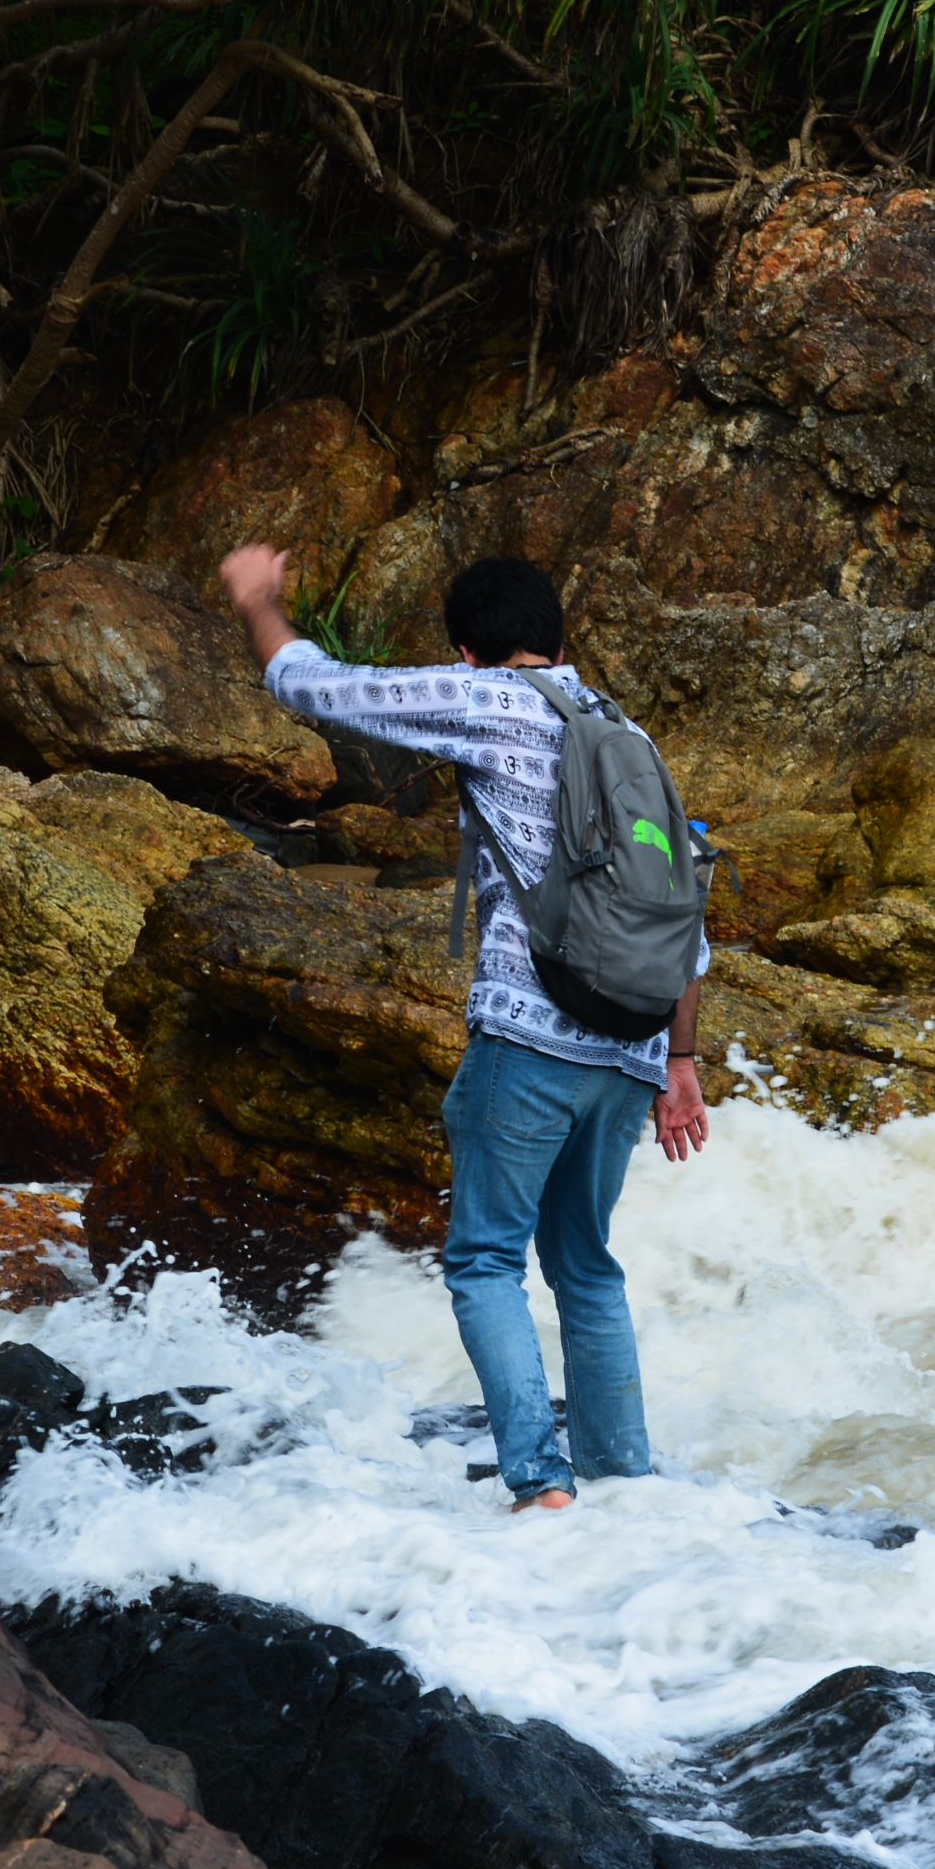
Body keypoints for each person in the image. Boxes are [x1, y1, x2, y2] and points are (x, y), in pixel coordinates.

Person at [220, 544, 710, 1513]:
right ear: (560, 638)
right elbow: (684, 912)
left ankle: (539, 1482)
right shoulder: (630, 736)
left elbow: (314, 687)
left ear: (465, 653)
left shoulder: (489, 703)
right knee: (584, 1264)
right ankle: (627, 1486)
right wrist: (679, 1061)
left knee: (485, 1258)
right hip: (629, 1046)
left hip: (529, 1039)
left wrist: (259, 603)